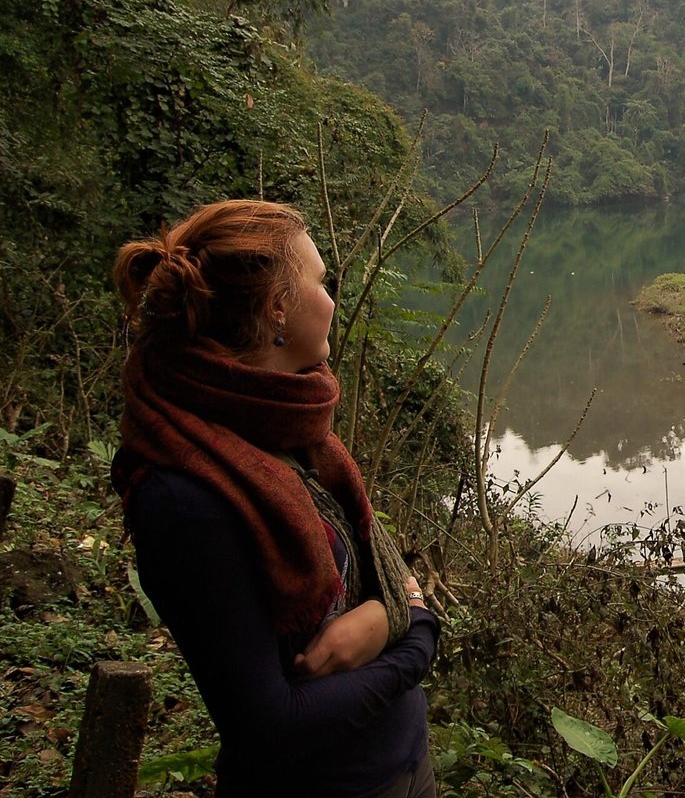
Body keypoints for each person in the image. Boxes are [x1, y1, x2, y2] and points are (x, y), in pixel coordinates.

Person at [111, 200, 439, 798]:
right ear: (277, 309)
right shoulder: (187, 498)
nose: (333, 301)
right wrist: (415, 635)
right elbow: (270, 722)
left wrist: (393, 613)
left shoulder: (281, 424)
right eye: (320, 282)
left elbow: (382, 575)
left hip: (404, 761)